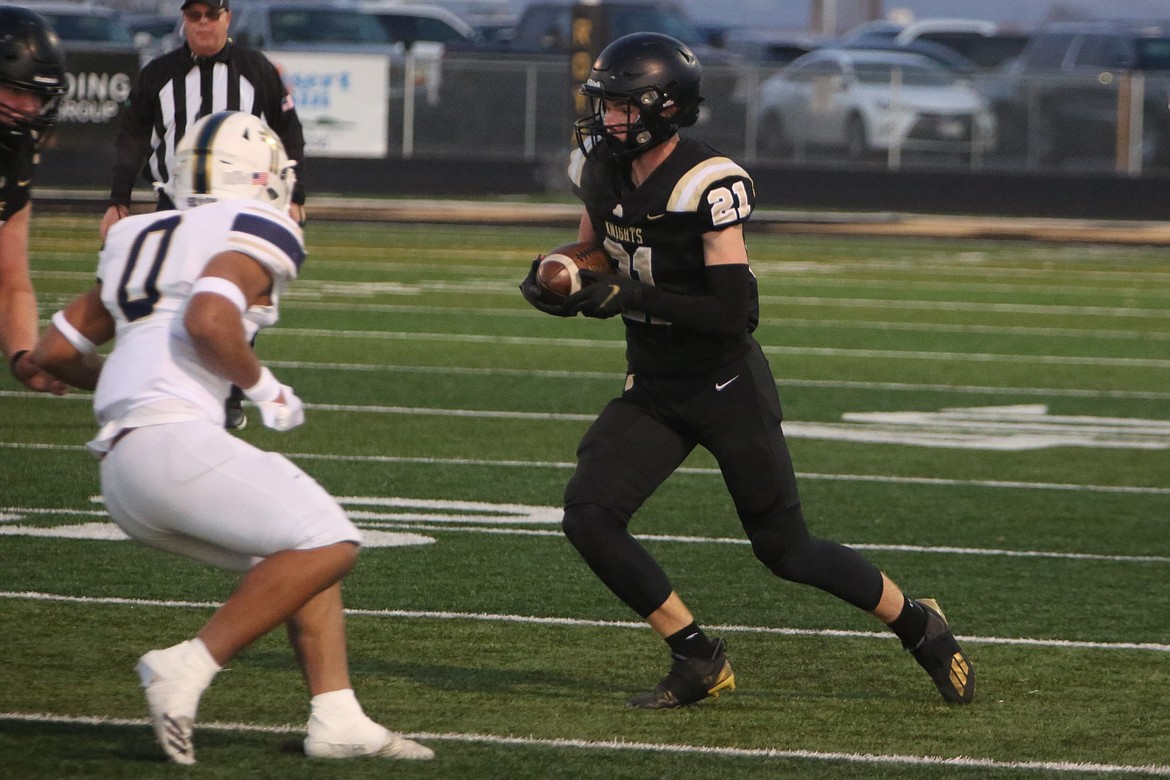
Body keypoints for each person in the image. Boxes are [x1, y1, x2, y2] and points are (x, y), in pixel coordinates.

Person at [520, 32, 974, 709]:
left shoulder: (709, 182)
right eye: (604, 106)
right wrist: (555, 275)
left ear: (664, 108)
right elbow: (595, 250)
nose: (608, 120)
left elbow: (733, 313)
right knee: (589, 515)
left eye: (620, 107)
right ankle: (697, 656)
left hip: (724, 385)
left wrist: (629, 296)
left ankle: (919, 623)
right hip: (654, 387)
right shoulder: (600, 167)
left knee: (785, 550)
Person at [31, 110, 434, 765]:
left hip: (124, 467)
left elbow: (53, 351)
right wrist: (262, 386)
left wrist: (129, 382)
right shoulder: (259, 223)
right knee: (330, 540)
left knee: (299, 545)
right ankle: (185, 668)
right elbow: (209, 317)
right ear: (257, 175)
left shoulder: (140, 232)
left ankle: (337, 717)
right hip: (171, 446)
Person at [99, 0, 308, 429]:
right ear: (184, 20)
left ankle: (228, 392)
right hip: (176, 205)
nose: (203, 24)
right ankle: (164, 386)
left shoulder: (256, 69)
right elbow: (132, 138)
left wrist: (295, 193)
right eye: (194, 16)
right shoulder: (159, 74)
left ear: (227, 17)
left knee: (237, 304)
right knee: (169, 301)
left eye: (211, 15)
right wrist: (118, 199)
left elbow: (288, 133)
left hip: (240, 208)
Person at [0, 6, 68, 396]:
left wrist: (23, 353)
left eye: (37, 96)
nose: (29, 109)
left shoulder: (15, 154)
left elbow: (11, 281)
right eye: (17, 90)